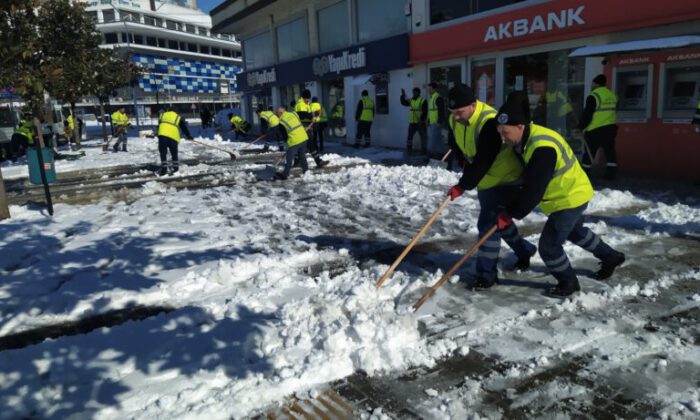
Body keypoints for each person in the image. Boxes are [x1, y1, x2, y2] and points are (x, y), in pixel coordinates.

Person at [495, 92, 626, 297]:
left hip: (569, 197)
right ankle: (610, 256)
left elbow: (534, 188)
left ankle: (568, 282)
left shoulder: (541, 147)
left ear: (520, 127)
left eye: (505, 133)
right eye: (499, 133)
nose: (503, 138)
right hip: (570, 193)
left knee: (549, 246)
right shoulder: (527, 138)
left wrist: (510, 212)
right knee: (575, 232)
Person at [446, 85, 536, 288]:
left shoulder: (488, 122)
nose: (456, 117)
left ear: (473, 104)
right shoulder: (455, 118)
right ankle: (524, 249)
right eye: (452, 113)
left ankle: (486, 275)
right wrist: (462, 164)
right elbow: (458, 144)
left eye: (459, 112)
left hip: (506, 178)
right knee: (499, 222)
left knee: (487, 225)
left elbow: (484, 159)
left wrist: (463, 185)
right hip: (486, 180)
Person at [578, 74, 619, 180]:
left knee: (589, 152)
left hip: (595, 129)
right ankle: (611, 174)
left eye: (592, 83)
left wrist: (580, 127)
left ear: (596, 84)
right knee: (610, 152)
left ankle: (584, 174)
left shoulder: (593, 96)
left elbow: (588, 114)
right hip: (610, 128)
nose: (591, 85)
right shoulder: (612, 95)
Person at [273, 106, 309, 180]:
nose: (276, 115)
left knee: (289, 159)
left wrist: (288, 146)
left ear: (280, 113)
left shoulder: (282, 122)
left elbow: (285, 137)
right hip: (303, 137)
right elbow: (305, 113)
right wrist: (313, 116)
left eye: (276, 114)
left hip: (294, 140)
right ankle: (306, 171)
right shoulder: (293, 114)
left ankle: (285, 175)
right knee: (302, 156)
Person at [295, 89, 328, 167]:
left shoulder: (307, 104)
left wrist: (315, 115)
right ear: (304, 97)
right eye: (307, 98)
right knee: (310, 143)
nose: (308, 100)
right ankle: (318, 161)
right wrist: (311, 117)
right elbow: (302, 115)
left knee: (304, 144)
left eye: (309, 98)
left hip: (308, 125)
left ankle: (297, 161)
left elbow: (310, 113)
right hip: (303, 126)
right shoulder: (300, 105)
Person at [157, 106, 193, 176]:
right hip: (173, 137)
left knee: (163, 153)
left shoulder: (162, 115)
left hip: (162, 136)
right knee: (174, 153)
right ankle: (176, 168)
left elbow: (159, 125)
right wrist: (188, 136)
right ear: (175, 111)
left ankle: (164, 169)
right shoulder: (177, 117)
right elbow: (183, 127)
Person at [400, 87, 428, 157]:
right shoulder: (411, 100)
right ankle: (409, 150)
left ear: (419, 93)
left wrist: (422, 119)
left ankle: (424, 151)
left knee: (423, 137)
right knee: (409, 137)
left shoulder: (423, 100)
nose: (414, 94)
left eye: (415, 92)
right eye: (413, 92)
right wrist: (403, 95)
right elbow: (403, 103)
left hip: (420, 122)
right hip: (412, 122)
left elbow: (425, 111)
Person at [427, 82, 447, 158]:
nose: (429, 90)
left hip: (436, 123)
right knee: (438, 140)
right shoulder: (432, 98)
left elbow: (441, 110)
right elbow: (432, 111)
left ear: (435, 89)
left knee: (432, 140)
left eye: (430, 89)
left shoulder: (438, 98)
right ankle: (442, 154)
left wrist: (439, 121)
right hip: (433, 122)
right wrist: (429, 120)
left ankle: (430, 155)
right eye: (428, 89)